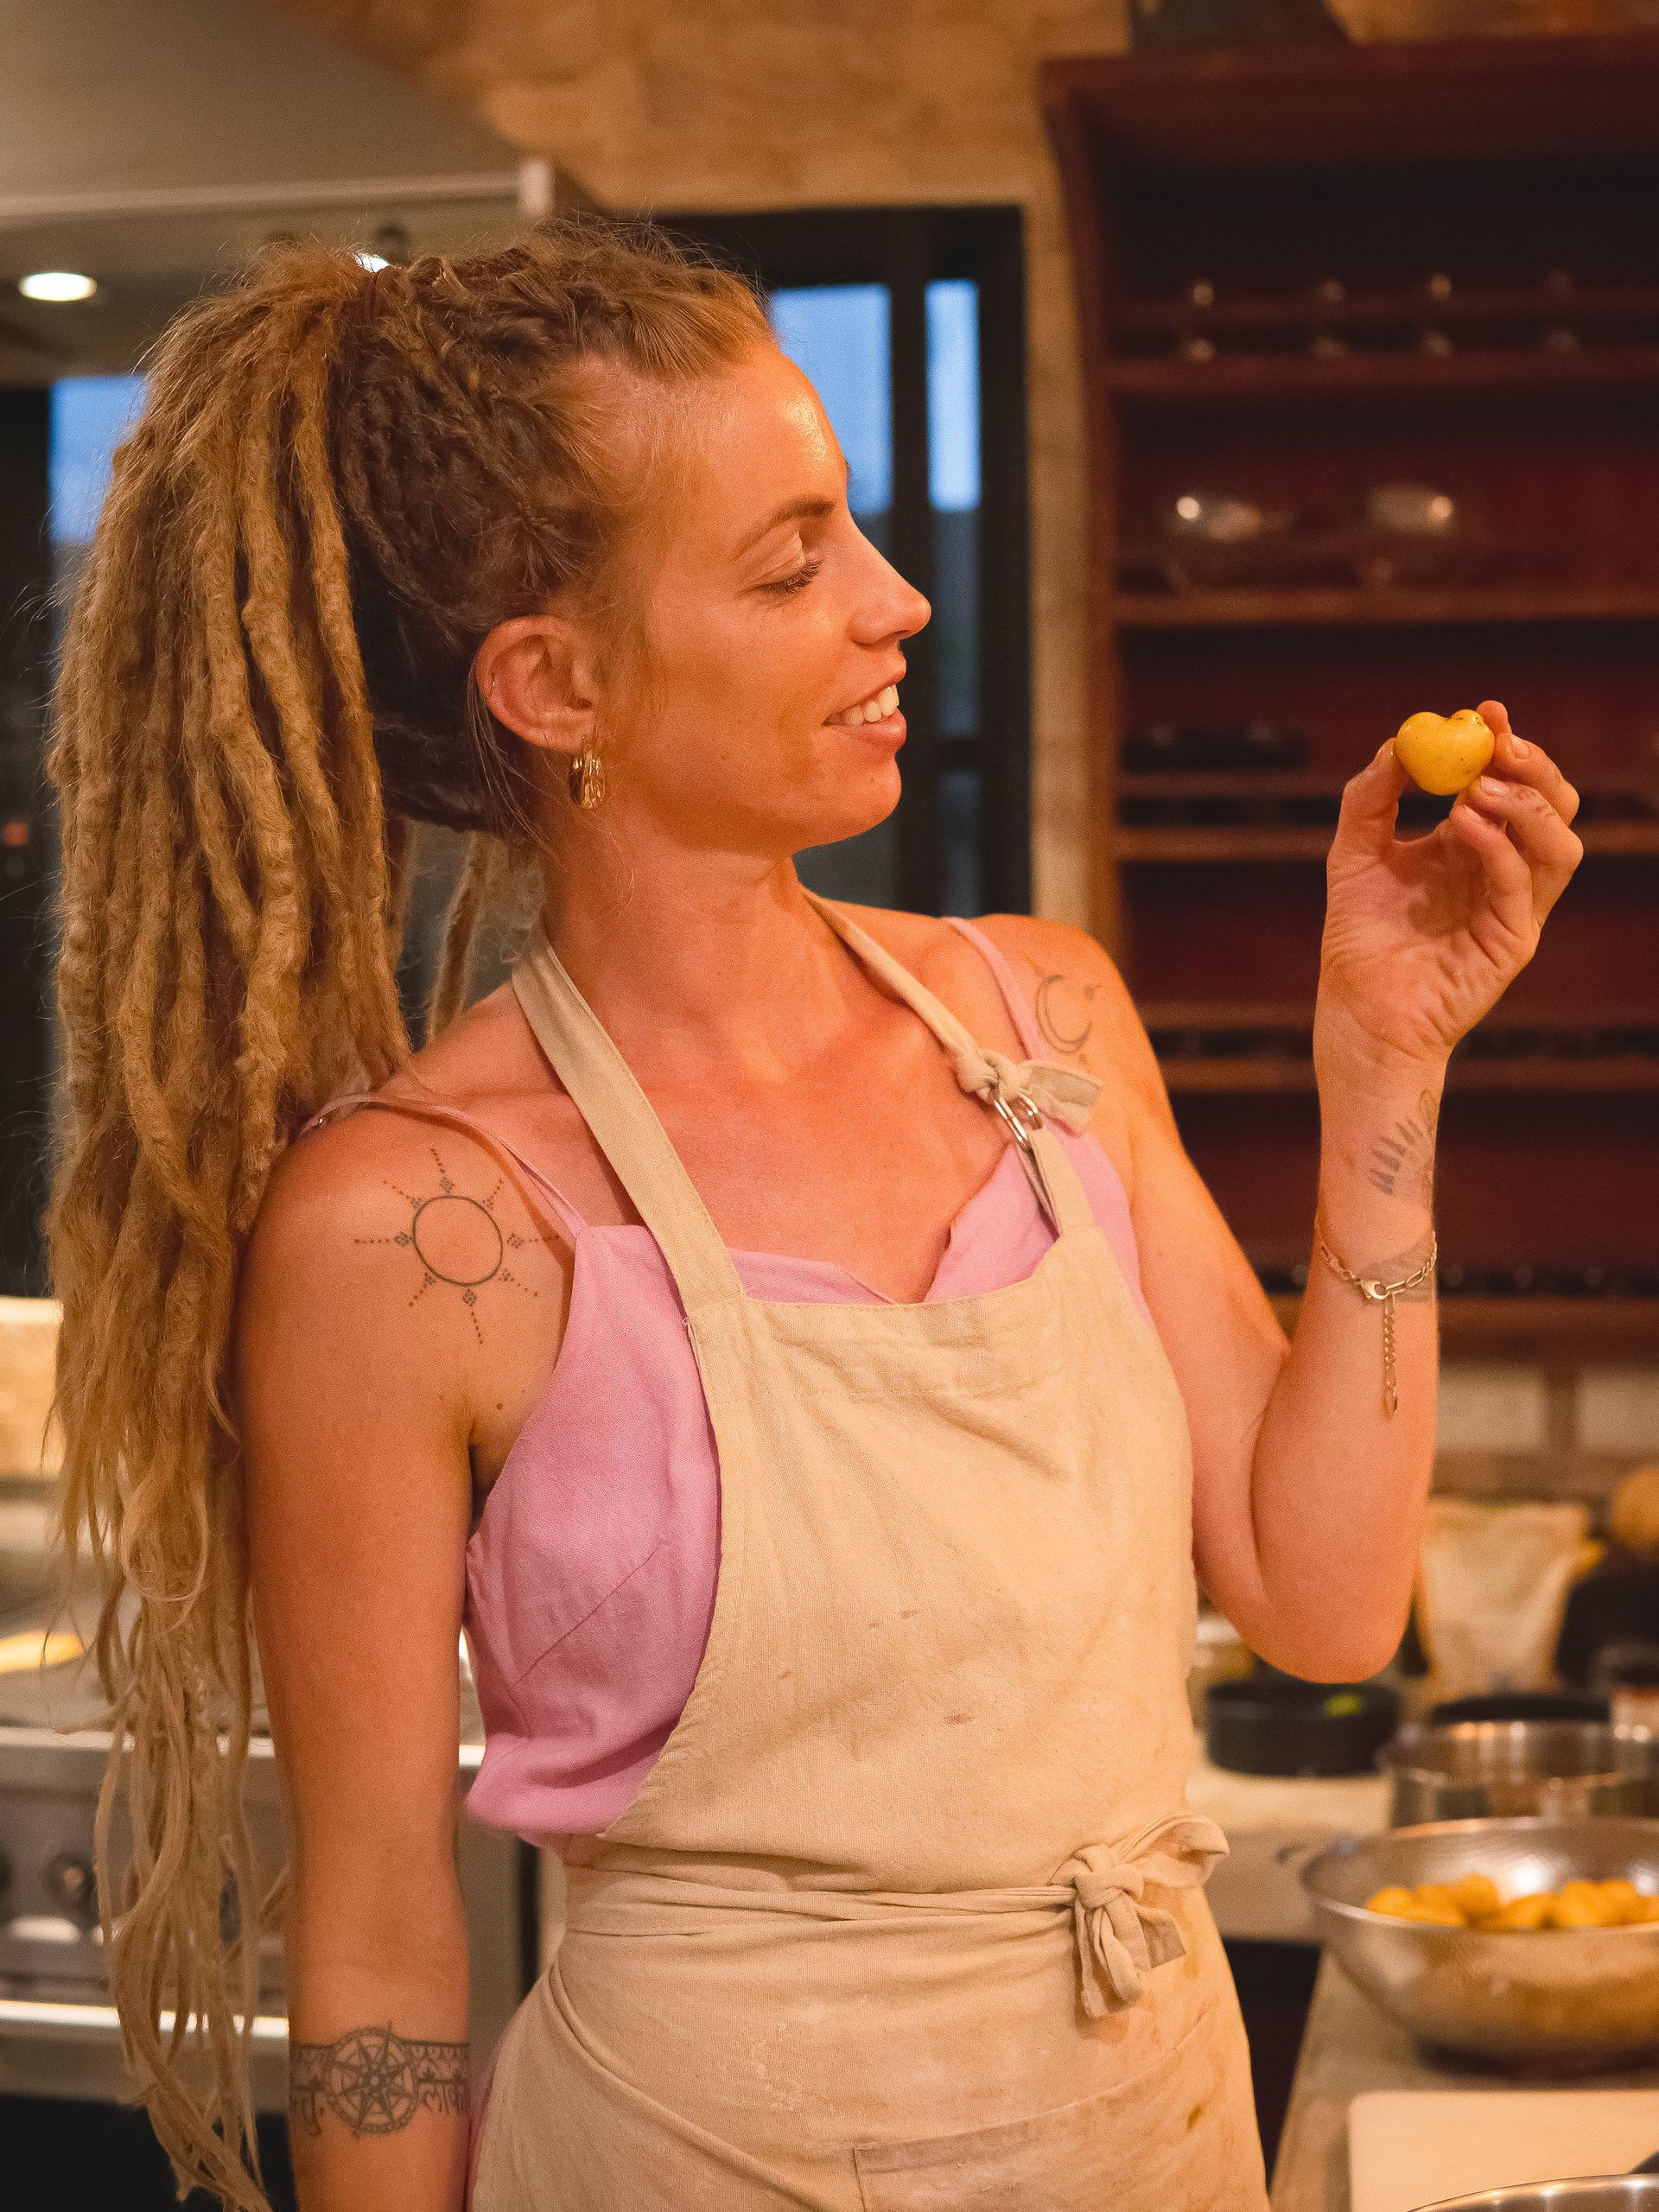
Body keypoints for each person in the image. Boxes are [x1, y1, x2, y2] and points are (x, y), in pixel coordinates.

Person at [41, 211, 1584, 2212]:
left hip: (1161, 2135)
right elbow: (380, 1935)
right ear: (555, 680)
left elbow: (1322, 1595)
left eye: (852, 525)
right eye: (793, 562)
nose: (901, 601)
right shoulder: (409, 1222)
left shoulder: (1046, 1021)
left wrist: (1388, 1069)